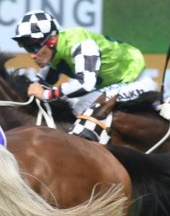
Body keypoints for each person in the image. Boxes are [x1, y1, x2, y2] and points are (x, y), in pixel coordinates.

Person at [14, 10, 156, 139]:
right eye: (27, 48)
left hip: (136, 80)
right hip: (110, 84)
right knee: (69, 103)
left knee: (83, 106)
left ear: (52, 40)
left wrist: (46, 94)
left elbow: (86, 84)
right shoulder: (53, 51)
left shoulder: (81, 44)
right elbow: (40, 84)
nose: (32, 55)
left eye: (35, 46)